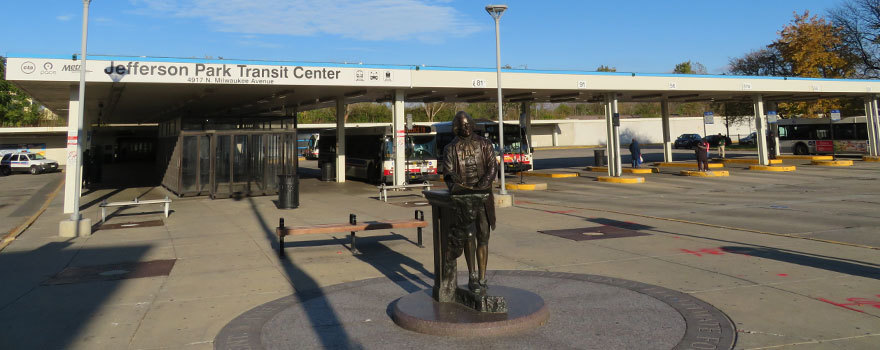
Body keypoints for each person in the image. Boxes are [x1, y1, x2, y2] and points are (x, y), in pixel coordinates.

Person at [442, 111, 498, 295]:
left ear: (472, 124)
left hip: (483, 197)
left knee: (483, 236)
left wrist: (481, 187)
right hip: (464, 200)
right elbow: (448, 172)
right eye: (462, 125)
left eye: (468, 124)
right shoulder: (450, 148)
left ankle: (482, 277)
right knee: (468, 236)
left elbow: (492, 167)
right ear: (456, 127)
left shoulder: (485, 144)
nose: (465, 128)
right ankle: (472, 276)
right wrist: (458, 184)